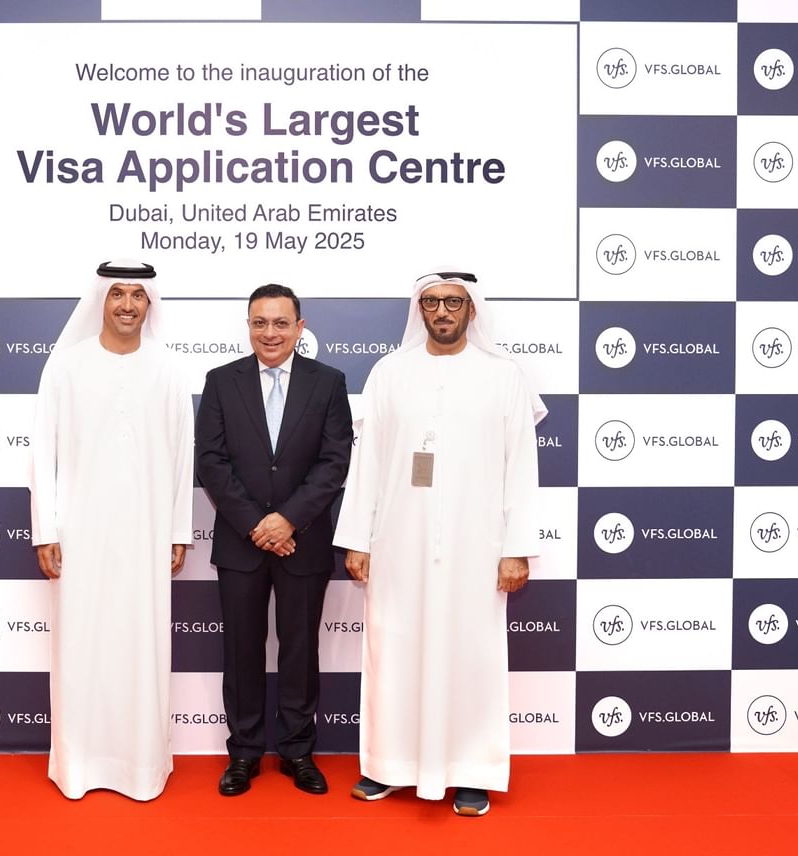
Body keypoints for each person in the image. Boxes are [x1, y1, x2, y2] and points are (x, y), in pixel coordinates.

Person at [333, 270, 546, 817]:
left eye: (453, 302)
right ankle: (387, 765)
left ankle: (472, 771)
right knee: (393, 651)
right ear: (420, 309)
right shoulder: (390, 372)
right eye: (431, 302)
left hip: (477, 549)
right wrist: (357, 539)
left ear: (472, 309)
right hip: (398, 545)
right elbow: (368, 462)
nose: (442, 312)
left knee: (471, 657)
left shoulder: (504, 376)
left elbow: (521, 467)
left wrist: (516, 547)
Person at [29, 260, 193, 801]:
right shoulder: (66, 365)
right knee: (82, 647)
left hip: (147, 535)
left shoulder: (168, 369)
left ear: (150, 304)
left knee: (141, 646)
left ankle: (141, 767)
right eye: (117, 293)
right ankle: (78, 766)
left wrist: (178, 530)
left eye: (137, 295)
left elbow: (182, 458)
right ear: (100, 299)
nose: (127, 304)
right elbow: (42, 452)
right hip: (80, 535)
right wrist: (45, 529)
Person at [195, 284, 353, 796]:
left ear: (299, 327)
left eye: (281, 323)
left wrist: (288, 520)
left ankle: (297, 751)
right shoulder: (221, 381)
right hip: (240, 543)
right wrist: (256, 525)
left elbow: (335, 462)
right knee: (241, 650)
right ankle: (243, 753)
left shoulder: (328, 382)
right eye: (260, 322)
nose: (270, 333)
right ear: (248, 326)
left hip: (303, 541)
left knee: (300, 651)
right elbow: (211, 461)